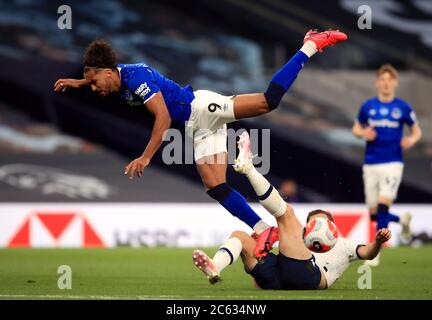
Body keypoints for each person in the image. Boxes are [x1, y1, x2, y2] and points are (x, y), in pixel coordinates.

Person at [54, 29, 347, 258]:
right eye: (89, 84)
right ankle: (264, 232)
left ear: (108, 73)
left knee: (267, 102)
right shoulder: (113, 78)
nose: (94, 88)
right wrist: (77, 82)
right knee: (215, 186)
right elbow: (99, 76)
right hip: (198, 130)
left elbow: (164, 118)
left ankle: (310, 44)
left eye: (94, 82)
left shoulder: (136, 79)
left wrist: (145, 157)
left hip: (201, 108)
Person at [192, 132, 392, 289]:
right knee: (240, 237)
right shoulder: (297, 243)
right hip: (281, 277)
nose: (314, 227)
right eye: (312, 223)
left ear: (331, 226)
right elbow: (259, 279)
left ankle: (249, 169)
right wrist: (262, 262)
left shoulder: (344, 245)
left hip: (312, 276)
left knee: (286, 215)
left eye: (319, 222)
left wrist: (379, 242)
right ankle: (215, 266)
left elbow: (368, 253)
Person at [351, 64, 422, 266]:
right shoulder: (368, 106)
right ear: (377, 83)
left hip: (393, 163)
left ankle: (375, 253)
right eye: (382, 80)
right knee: (374, 213)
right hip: (370, 163)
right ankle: (402, 221)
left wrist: (411, 140)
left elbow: (416, 131)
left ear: (395, 83)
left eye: (389, 80)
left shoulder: (403, 107)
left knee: (383, 205)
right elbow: (356, 128)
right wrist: (364, 133)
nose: (386, 83)